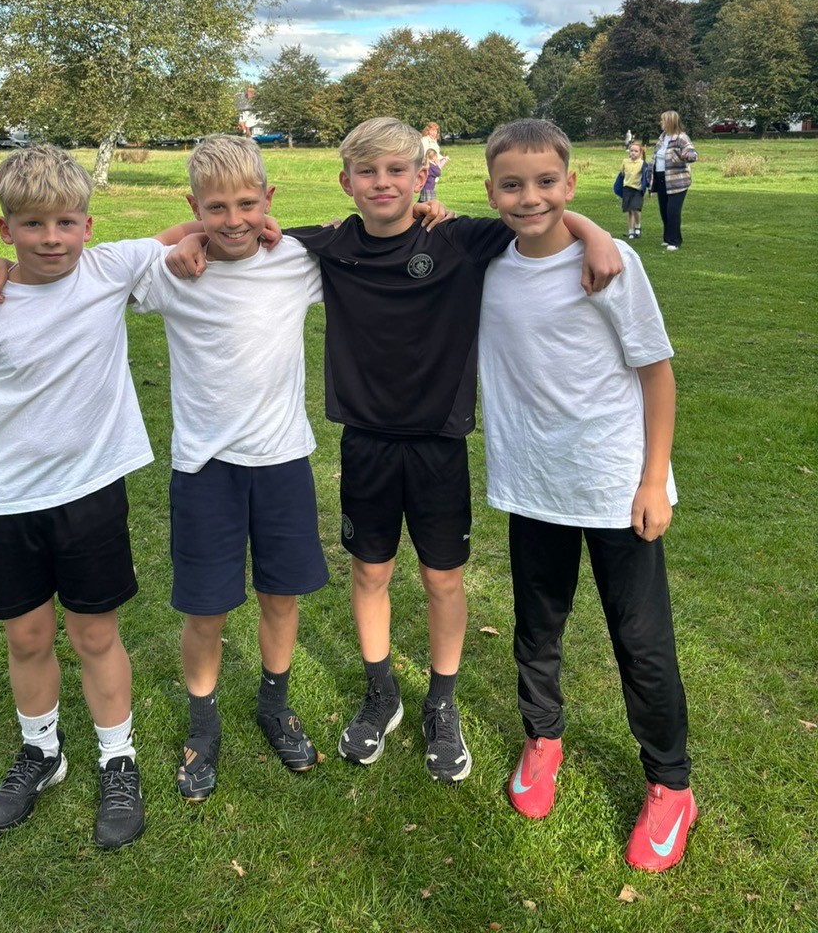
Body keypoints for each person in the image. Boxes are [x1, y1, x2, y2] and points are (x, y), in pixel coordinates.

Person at [280, 118, 621, 785]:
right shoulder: (330, 244)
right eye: (368, 172)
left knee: (442, 580)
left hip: (439, 444)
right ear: (346, 181)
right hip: (366, 443)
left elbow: (539, 218)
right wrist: (193, 238)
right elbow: (242, 234)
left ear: (421, 176)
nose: (383, 183)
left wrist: (597, 233)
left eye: (397, 171)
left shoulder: (458, 239)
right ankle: (381, 693)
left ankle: (442, 702)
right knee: (370, 573)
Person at [0, 144, 192, 849]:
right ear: (5, 229)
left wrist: (250, 226)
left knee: (94, 634)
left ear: (87, 225)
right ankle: (42, 751)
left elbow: (188, 231)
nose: (50, 238)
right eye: (32, 224)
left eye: (65, 223)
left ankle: (118, 758)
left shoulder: (109, 269)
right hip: (6, 503)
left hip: (90, 495)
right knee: (26, 636)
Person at [478, 117, 695, 873]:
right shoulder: (486, 264)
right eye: (512, 184)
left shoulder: (611, 264)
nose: (530, 197)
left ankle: (671, 784)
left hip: (614, 487)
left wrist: (653, 480)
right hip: (533, 484)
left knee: (641, 642)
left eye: (547, 182)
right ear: (491, 192)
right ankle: (543, 739)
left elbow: (657, 375)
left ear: (571, 184)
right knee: (538, 627)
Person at [131, 135, 328, 802]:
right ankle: (203, 724)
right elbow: (91, 267)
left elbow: (370, 237)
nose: (234, 219)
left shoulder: (295, 260)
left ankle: (274, 704)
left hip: (282, 461)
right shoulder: (171, 272)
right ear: (194, 206)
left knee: (281, 597)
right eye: (215, 208)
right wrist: (181, 237)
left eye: (247, 204)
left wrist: (425, 209)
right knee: (206, 609)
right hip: (204, 468)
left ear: (269, 199)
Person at [652, 111, 697, 251]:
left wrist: (687, 155)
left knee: (673, 211)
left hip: (677, 181)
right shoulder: (662, 137)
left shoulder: (681, 138)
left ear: (669, 121)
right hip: (661, 178)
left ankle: (675, 241)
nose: (660, 122)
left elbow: (693, 154)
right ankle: (667, 238)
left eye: (662, 120)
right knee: (664, 210)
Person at [619, 141, 646, 239]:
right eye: (631, 151)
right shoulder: (625, 162)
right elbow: (622, 174)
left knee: (636, 209)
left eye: (636, 151)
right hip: (627, 188)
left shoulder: (642, 164)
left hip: (637, 189)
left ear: (640, 153)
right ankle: (630, 231)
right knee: (629, 211)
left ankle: (638, 225)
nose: (633, 153)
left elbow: (645, 177)